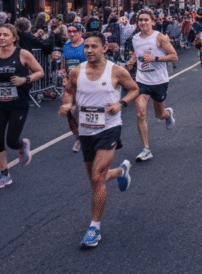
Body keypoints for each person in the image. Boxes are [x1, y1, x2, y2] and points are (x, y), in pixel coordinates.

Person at [57, 32, 137, 249]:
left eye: (94, 46)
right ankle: (121, 172)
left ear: (104, 48)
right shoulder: (76, 72)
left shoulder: (116, 71)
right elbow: (68, 92)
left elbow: (134, 89)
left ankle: (94, 228)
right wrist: (67, 105)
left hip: (109, 127)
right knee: (96, 178)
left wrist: (121, 104)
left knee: (95, 178)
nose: (89, 50)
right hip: (85, 130)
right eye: (87, 47)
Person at [0, 24, 45, 189]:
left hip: (18, 104)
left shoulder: (23, 54)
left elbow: (40, 71)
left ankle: (23, 145)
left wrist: (25, 80)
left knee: (12, 141)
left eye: (5, 35)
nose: (1, 37)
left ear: (14, 38)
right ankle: (4, 175)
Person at [127, 11, 177, 162]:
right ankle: (146, 149)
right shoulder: (135, 38)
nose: (142, 22)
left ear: (153, 22)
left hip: (159, 81)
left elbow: (174, 56)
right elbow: (136, 52)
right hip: (142, 80)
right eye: (140, 20)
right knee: (140, 113)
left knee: (159, 114)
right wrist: (132, 61)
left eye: (146, 20)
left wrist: (155, 58)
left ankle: (167, 114)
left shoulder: (159, 37)